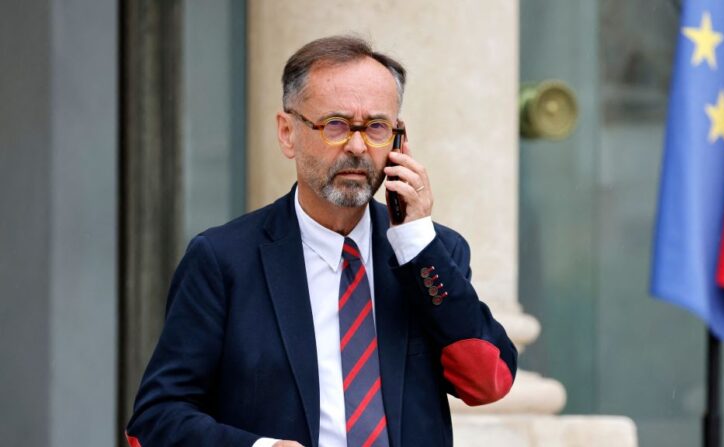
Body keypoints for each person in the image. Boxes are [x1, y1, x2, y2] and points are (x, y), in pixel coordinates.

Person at [125, 35, 517, 447]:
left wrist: (416, 242)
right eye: (335, 125)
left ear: (399, 141)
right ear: (287, 133)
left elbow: (488, 383)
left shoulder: (430, 255)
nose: (357, 146)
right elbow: (153, 422)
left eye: (377, 127)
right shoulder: (223, 260)